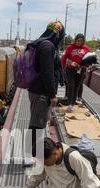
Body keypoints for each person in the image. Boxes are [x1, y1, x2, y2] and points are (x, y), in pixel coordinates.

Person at [27, 21, 65, 156]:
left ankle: (34, 154)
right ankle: (31, 156)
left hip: (38, 90)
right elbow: (47, 72)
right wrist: (52, 94)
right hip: (41, 92)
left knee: (38, 124)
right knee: (36, 125)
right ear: (59, 34)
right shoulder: (47, 47)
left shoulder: (42, 44)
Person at [61, 34, 91, 112]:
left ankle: (71, 104)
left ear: (83, 41)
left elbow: (89, 60)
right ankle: (69, 102)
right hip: (70, 69)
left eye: (81, 41)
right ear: (75, 40)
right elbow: (64, 58)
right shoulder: (70, 47)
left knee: (76, 87)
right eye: (77, 41)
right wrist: (62, 67)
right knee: (71, 85)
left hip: (80, 70)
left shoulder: (86, 48)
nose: (79, 42)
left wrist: (87, 65)